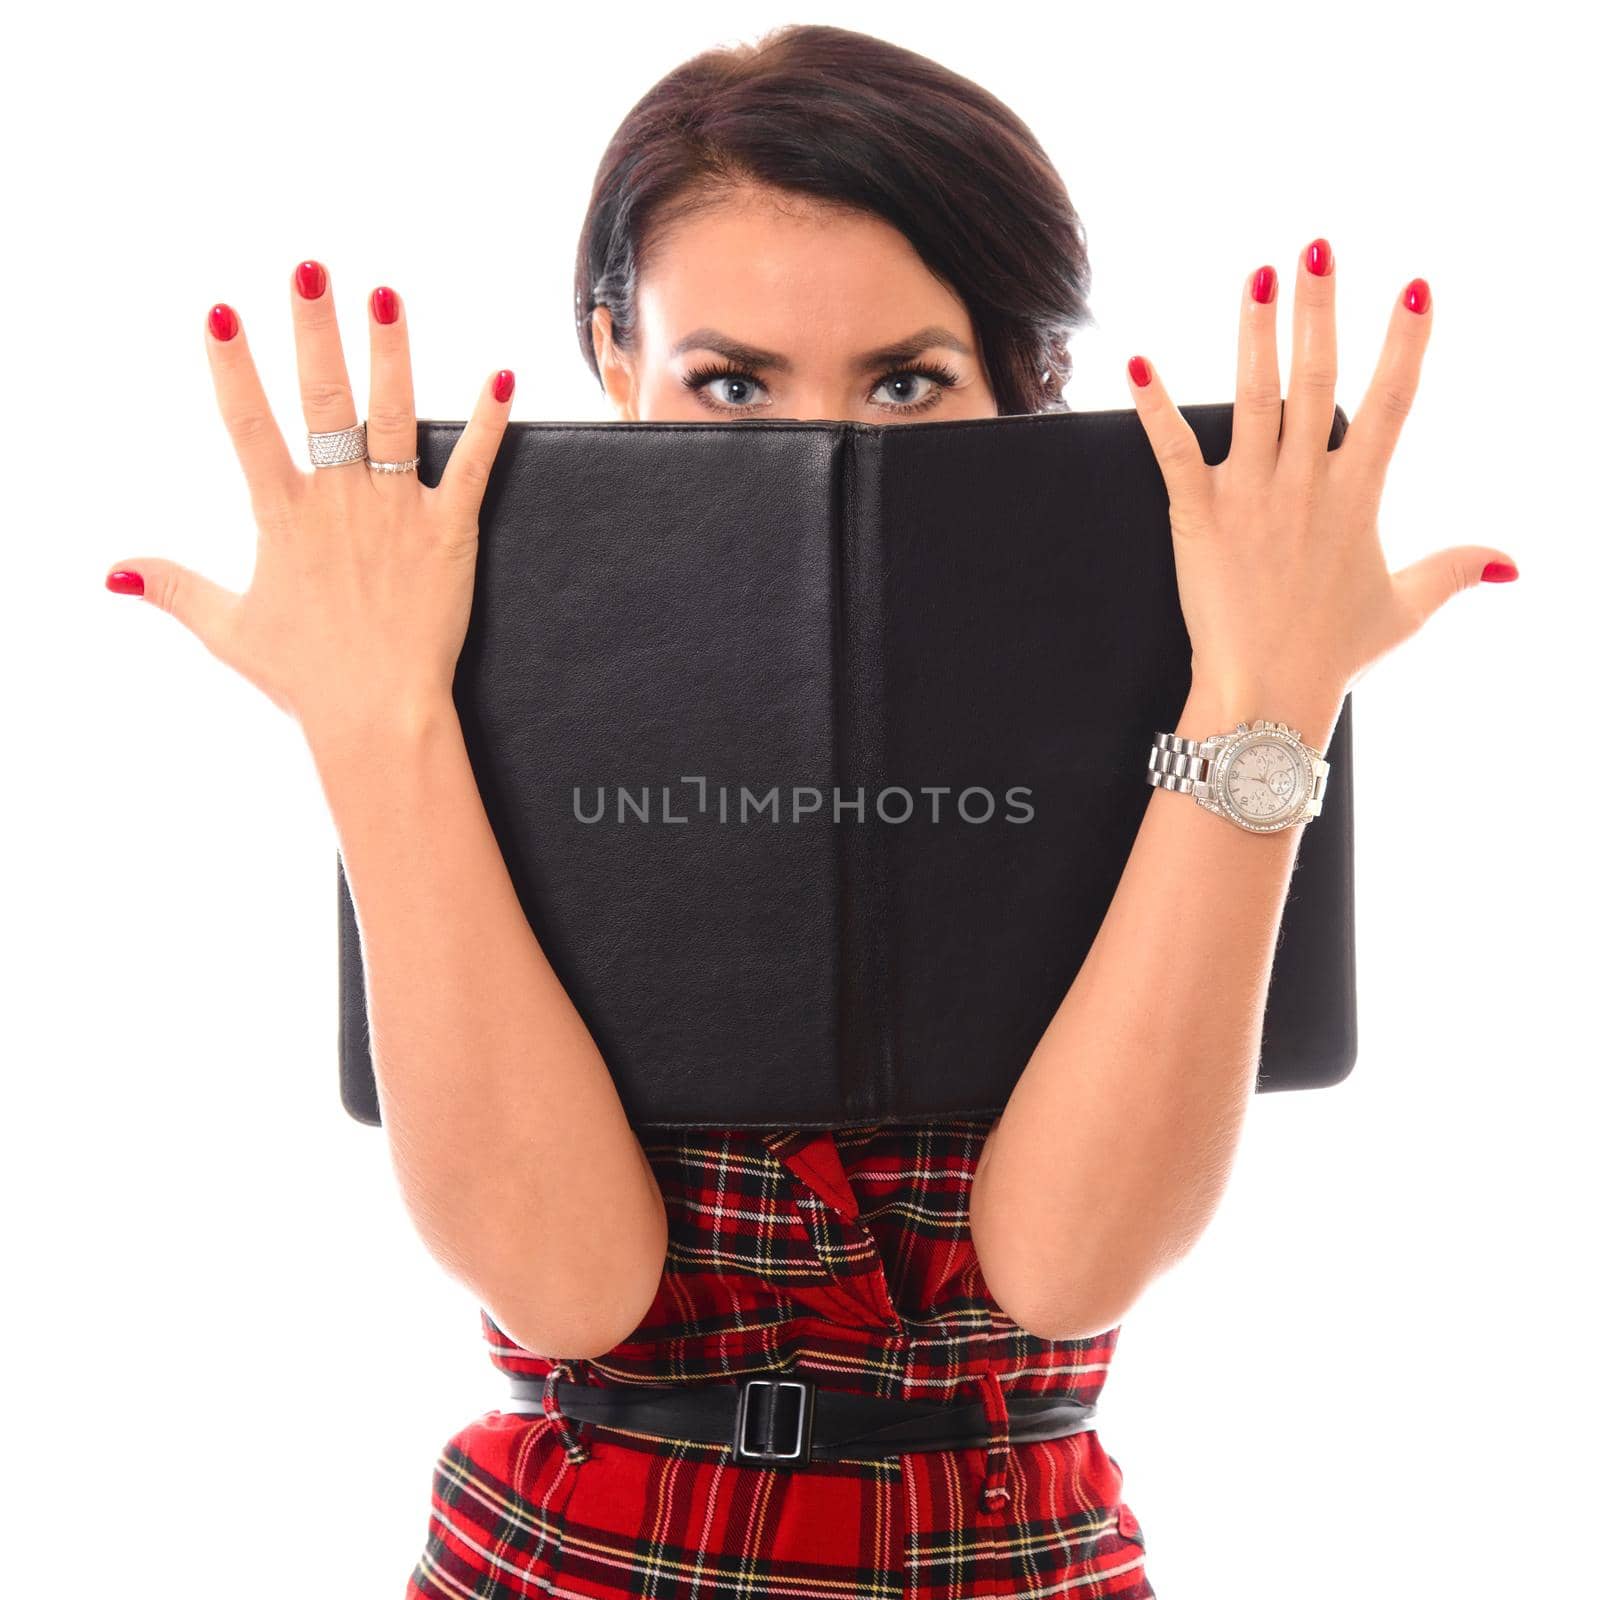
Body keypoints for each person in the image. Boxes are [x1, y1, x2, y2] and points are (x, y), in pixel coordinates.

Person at [102, 23, 1517, 1600]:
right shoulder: (459, 633)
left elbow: (1066, 1268)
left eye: (910, 379)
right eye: (727, 382)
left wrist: (1262, 703)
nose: (817, 445)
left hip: (1014, 1561)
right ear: (612, 356)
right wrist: (377, 730)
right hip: (566, 1563)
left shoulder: (1162, 646)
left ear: (1017, 383)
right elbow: (566, 1284)